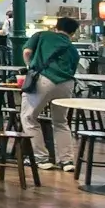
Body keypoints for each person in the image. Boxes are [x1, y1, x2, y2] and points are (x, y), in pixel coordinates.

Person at [20, 16, 82, 171]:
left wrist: (31, 68)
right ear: (73, 33)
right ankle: (66, 161)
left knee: (29, 118)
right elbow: (73, 69)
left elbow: (27, 52)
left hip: (44, 80)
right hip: (66, 84)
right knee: (61, 122)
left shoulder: (41, 35)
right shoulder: (72, 48)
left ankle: (41, 158)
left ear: (56, 26)